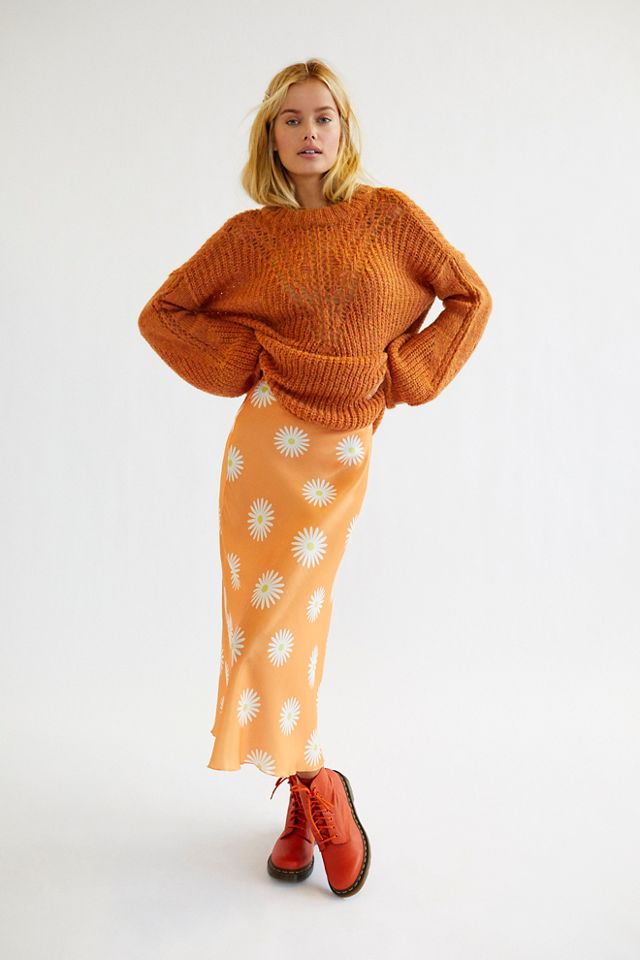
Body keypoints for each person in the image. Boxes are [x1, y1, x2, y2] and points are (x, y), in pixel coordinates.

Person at [137, 58, 493, 898]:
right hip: (264, 450)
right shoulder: (248, 238)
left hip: (339, 455)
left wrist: (402, 373)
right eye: (291, 119)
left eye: (323, 117)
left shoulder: (389, 218)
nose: (308, 133)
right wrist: (251, 358)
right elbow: (164, 314)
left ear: (343, 130)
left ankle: (313, 785)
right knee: (258, 633)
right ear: (271, 136)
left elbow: (469, 297)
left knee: (291, 629)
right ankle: (312, 790)